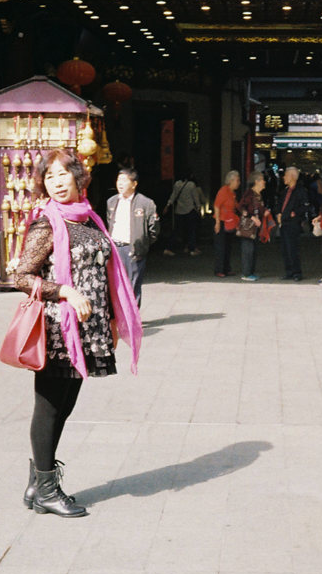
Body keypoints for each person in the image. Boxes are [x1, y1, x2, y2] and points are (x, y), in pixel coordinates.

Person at [13, 149, 142, 518]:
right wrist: (66, 291)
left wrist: (112, 321)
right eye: (49, 176)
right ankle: (46, 489)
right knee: (49, 407)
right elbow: (21, 276)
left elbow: (105, 274)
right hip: (58, 330)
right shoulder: (46, 224)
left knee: (65, 406)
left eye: (62, 174)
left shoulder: (89, 219)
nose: (56, 182)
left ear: (78, 177)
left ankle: (38, 483)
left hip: (89, 330)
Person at [106, 167, 160, 307]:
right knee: (115, 283)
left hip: (133, 248)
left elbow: (154, 230)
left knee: (133, 284)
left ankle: (133, 315)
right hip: (115, 247)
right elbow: (109, 222)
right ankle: (119, 314)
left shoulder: (145, 203)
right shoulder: (111, 201)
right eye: (118, 180)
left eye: (124, 180)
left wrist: (141, 242)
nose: (120, 184)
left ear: (134, 184)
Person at [276, 166, 311, 282]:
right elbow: (280, 204)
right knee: (285, 249)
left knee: (292, 248)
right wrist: (279, 213)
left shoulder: (300, 191)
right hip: (284, 222)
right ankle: (289, 271)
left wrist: (294, 213)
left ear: (292, 176)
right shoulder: (286, 190)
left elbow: (306, 206)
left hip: (293, 223)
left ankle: (297, 272)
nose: (284, 177)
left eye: (286, 175)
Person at [163, 171, 203, 257]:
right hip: (189, 209)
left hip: (179, 210)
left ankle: (168, 248)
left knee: (176, 230)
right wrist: (199, 207)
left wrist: (167, 206)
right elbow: (195, 198)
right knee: (192, 230)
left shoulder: (177, 184)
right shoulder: (191, 185)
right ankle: (192, 249)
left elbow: (173, 196)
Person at [237, 171, 268, 281]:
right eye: (262, 179)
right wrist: (252, 217)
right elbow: (241, 207)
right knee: (248, 250)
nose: (264, 182)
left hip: (255, 228)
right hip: (248, 228)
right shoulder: (249, 194)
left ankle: (250, 272)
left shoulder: (258, 195)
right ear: (256, 181)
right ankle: (246, 273)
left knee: (253, 250)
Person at [213, 170, 240, 277]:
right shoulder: (223, 191)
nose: (239, 183)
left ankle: (226, 268)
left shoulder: (233, 193)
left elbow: (236, 206)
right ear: (231, 181)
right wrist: (217, 222)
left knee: (228, 246)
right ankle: (219, 269)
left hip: (229, 221)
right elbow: (216, 206)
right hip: (222, 220)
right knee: (220, 246)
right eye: (237, 180)